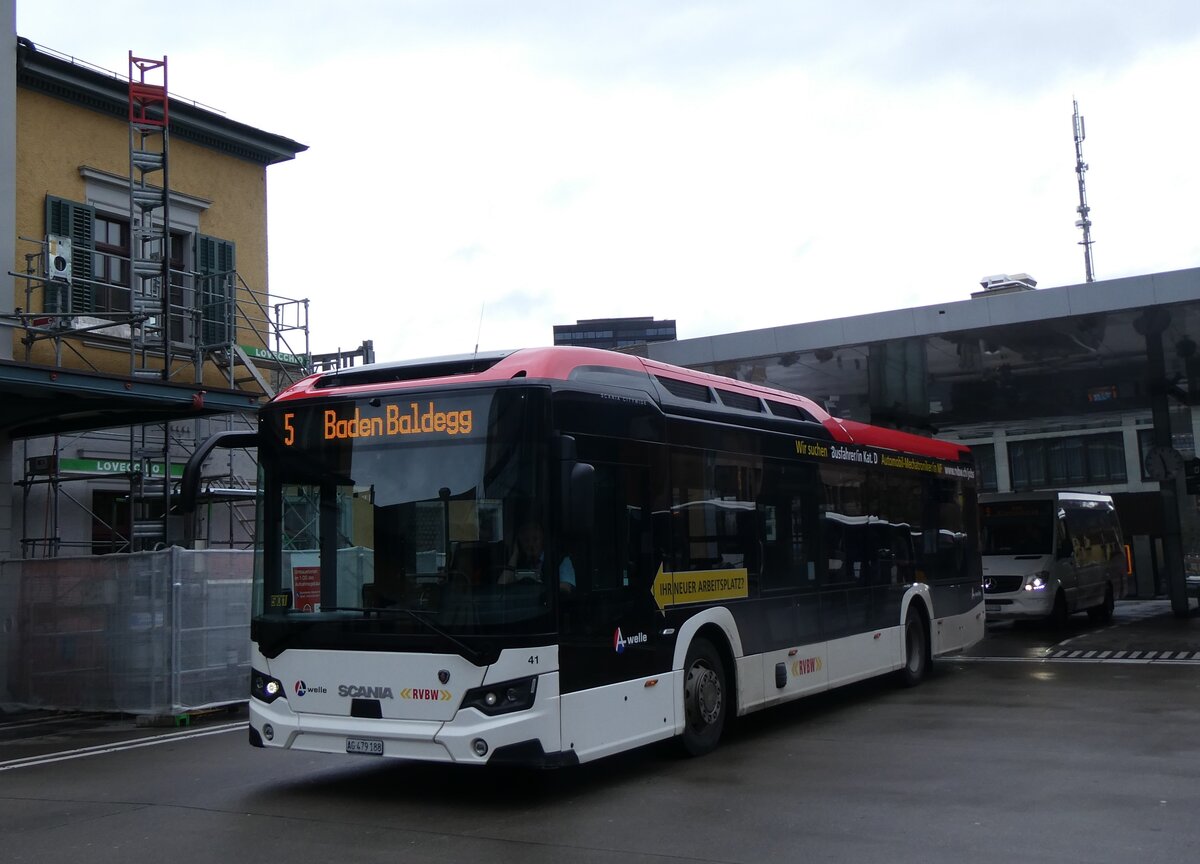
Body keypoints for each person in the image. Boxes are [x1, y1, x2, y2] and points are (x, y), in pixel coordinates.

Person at [498, 520, 576, 592]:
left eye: (535, 539)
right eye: (526, 540)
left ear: (543, 540)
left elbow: (566, 587)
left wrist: (538, 587)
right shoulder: (518, 563)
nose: (531, 545)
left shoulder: (560, 559)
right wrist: (515, 554)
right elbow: (501, 586)